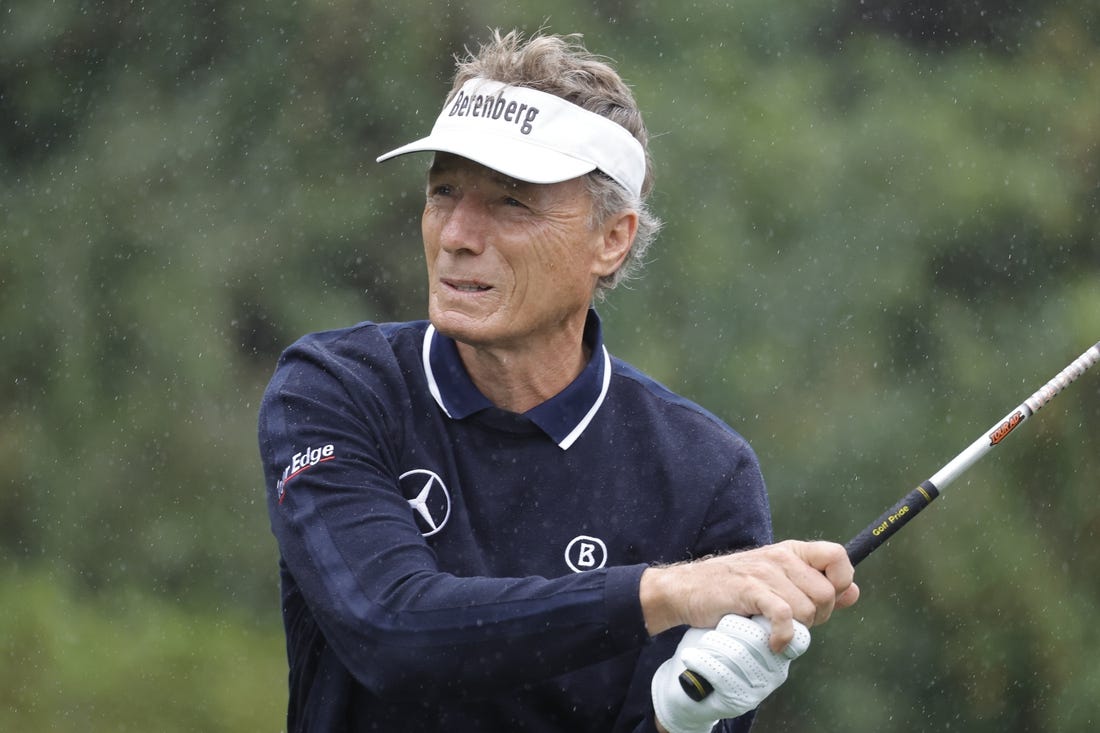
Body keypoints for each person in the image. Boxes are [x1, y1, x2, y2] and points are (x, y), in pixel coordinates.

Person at [258, 29, 859, 733]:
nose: (456, 233)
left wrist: (678, 722)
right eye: (444, 190)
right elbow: (392, 627)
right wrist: (663, 590)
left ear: (612, 239)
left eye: (511, 202)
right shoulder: (336, 389)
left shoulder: (704, 475)